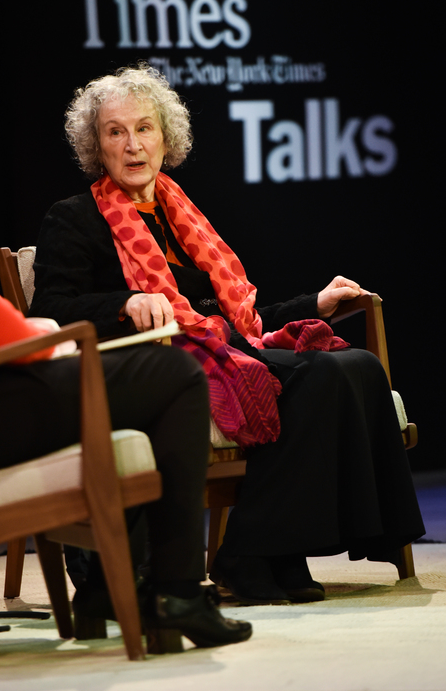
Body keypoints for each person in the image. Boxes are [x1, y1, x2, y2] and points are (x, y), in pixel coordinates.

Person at [0, 52, 252, 650]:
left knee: (139, 380)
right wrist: (52, 342)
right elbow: (7, 336)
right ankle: (177, 590)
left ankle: (111, 592)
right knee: (171, 375)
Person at [30, 63, 426, 606]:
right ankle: (254, 555)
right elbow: (50, 307)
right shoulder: (73, 218)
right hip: (162, 363)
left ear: (166, 137)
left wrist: (317, 303)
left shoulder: (180, 213)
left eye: (144, 128)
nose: (132, 145)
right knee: (320, 376)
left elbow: (238, 318)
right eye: (115, 132)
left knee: (356, 364)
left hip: (226, 350)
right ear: (96, 147)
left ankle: (272, 554)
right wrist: (125, 301)